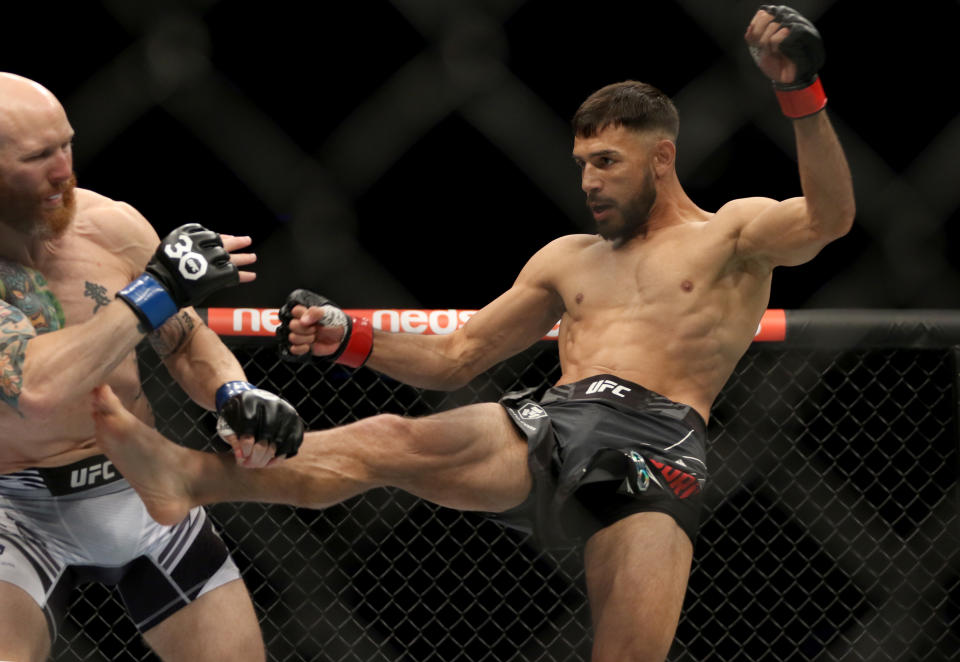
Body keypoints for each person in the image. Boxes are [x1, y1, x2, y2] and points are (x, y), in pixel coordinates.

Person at [91, 6, 855, 661]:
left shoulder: (731, 234)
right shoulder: (566, 258)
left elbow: (830, 219)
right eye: (583, 162)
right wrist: (350, 337)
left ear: (662, 158)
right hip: (560, 419)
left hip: (660, 442)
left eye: (608, 162)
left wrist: (800, 92)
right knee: (390, 439)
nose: (589, 180)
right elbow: (457, 357)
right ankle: (187, 474)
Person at [0, 72, 306, 662]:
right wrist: (152, 292)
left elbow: (186, 341)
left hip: (140, 482)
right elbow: (35, 385)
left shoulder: (109, 225)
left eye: (66, 144)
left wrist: (233, 392)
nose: (64, 169)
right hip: (15, 507)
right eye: (39, 156)